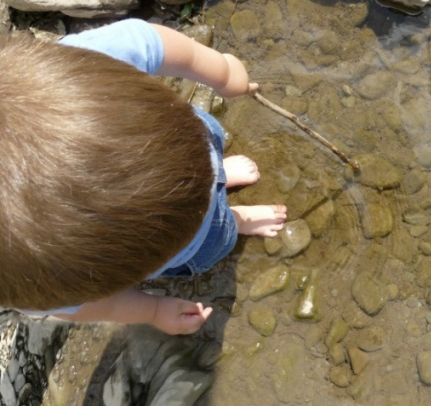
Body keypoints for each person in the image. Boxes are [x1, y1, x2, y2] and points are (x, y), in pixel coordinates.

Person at [0, 19, 287, 335]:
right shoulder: (30, 280)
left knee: (207, 159)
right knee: (219, 236)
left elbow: (149, 42)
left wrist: (224, 73)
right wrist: (154, 310)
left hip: (193, 142)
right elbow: (99, 306)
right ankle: (233, 218)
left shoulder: (57, 75)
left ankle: (213, 171)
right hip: (196, 241)